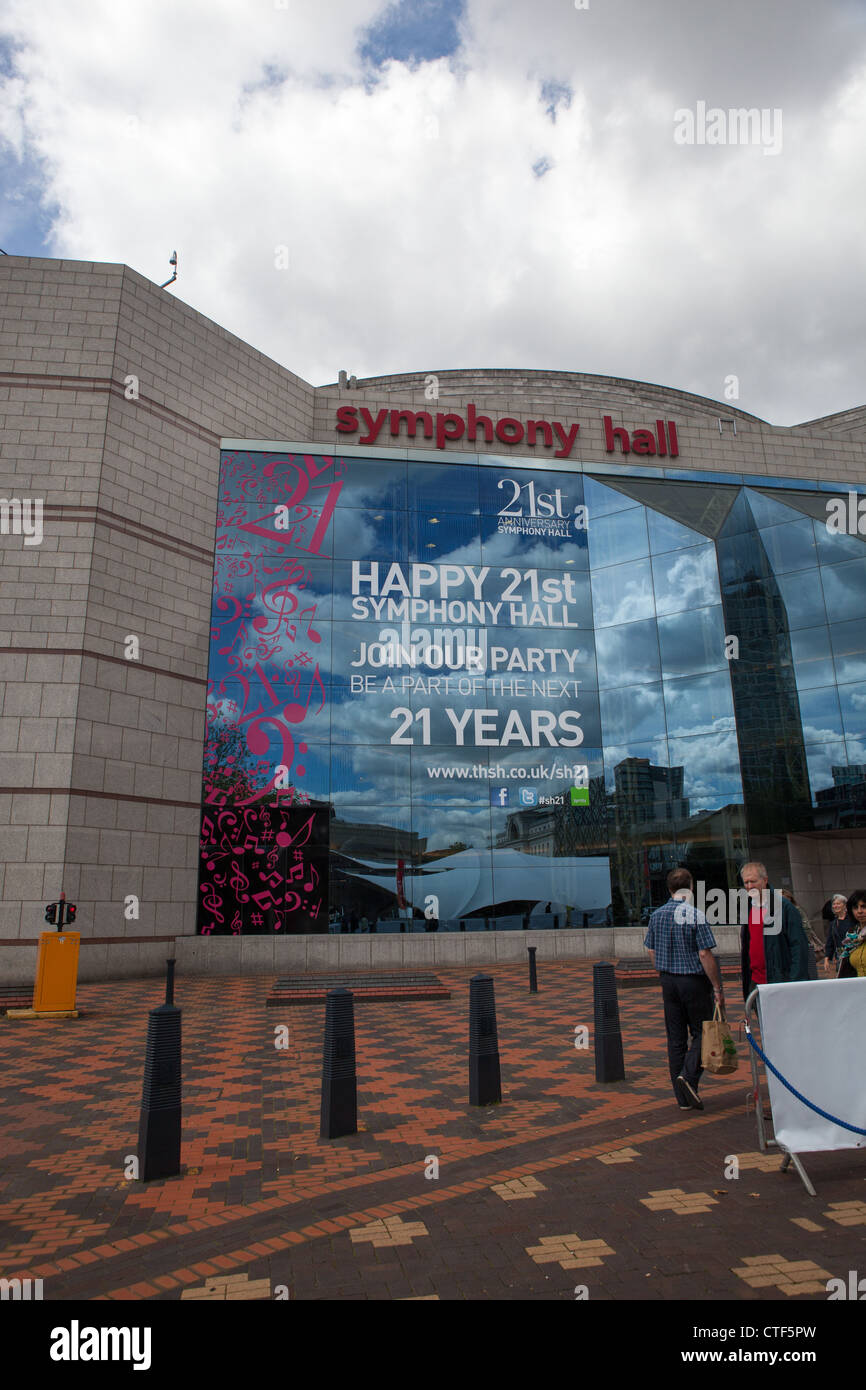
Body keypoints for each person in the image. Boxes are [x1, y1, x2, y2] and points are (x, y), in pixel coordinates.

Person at [644, 866, 725, 1112]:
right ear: (690, 887)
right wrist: (717, 987)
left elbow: (650, 948)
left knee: (675, 1038)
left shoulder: (656, 915)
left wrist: (661, 970)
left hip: (668, 981)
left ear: (669, 889)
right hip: (693, 981)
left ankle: (682, 1098)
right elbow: (704, 953)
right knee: (703, 1032)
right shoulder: (695, 914)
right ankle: (688, 1077)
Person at [739, 861, 811, 998]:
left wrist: (794, 983)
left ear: (765, 880)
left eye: (753, 881)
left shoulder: (785, 907)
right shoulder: (749, 908)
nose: (749, 886)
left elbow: (799, 947)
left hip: (781, 982)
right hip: (756, 982)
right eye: (746, 882)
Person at [779, 889, 819, 979]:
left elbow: (806, 927)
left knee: (806, 971)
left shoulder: (796, 910)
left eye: (784, 899)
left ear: (790, 899)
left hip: (801, 946)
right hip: (786, 951)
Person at [836, 889, 866, 978]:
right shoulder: (851, 935)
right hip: (859, 988)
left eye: (864, 906)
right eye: (856, 907)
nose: (860, 911)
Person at [823, 892, 853, 974]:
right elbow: (830, 942)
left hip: (854, 954)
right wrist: (826, 959)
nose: (835, 906)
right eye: (834, 904)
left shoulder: (852, 919)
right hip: (840, 957)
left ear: (845, 905)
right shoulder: (833, 924)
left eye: (838, 904)